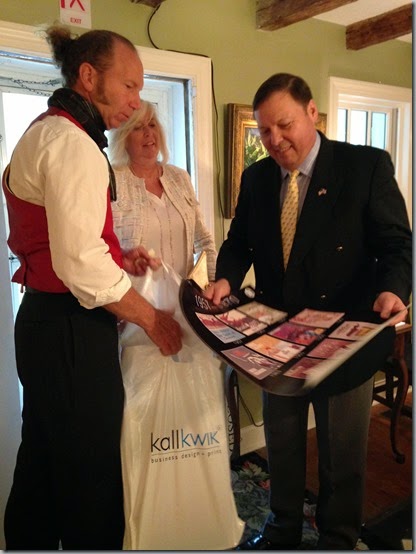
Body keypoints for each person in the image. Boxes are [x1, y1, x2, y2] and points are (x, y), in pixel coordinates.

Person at [204, 73, 412, 550]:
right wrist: (226, 279)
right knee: (282, 445)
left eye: (285, 125)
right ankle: (281, 530)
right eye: (265, 131)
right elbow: (238, 243)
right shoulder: (257, 177)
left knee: (341, 457)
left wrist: (393, 289)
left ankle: (337, 538)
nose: (274, 140)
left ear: (312, 113)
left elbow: (398, 244)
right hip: (277, 345)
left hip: (345, 343)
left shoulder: (365, 166)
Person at [2, 25, 182, 551]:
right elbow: (80, 265)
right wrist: (153, 319)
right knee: (93, 483)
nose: (136, 101)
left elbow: (66, 242)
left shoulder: (43, 130)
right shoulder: (73, 144)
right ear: (88, 76)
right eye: (128, 85)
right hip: (71, 332)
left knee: (40, 468)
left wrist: (117, 258)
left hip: (43, 324)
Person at [107, 101, 244, 550]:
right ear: (123, 136)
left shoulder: (180, 178)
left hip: (188, 315)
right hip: (138, 319)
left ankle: (199, 516)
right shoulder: (112, 181)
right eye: (137, 127)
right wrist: (133, 272)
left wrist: (207, 287)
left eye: (152, 125)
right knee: (146, 424)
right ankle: (158, 523)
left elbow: (206, 239)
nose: (148, 135)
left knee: (198, 421)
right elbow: (104, 253)